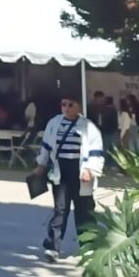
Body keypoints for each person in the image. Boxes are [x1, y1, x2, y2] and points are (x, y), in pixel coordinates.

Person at [33, 94, 104, 262]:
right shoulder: (54, 123)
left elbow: (96, 151)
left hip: (80, 172)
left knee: (84, 211)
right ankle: (53, 247)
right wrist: (41, 165)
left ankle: (88, 246)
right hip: (60, 171)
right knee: (60, 209)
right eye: (63, 104)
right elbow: (46, 146)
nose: (66, 108)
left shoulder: (88, 127)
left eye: (71, 104)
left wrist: (90, 170)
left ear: (78, 106)